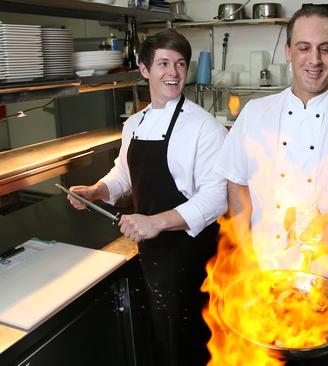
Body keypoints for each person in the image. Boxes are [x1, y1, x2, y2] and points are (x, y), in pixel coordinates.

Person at [64, 30, 227, 366]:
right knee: (164, 342)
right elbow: (123, 173)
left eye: (180, 64)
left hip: (193, 257)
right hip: (152, 253)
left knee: (197, 345)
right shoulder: (135, 123)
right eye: (164, 63)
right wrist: (98, 190)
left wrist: (156, 222)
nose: (174, 72)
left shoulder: (203, 126)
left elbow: (216, 196)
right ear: (144, 69)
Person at [215, 5, 328, 271]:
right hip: (264, 270)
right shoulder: (255, 113)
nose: (314, 59)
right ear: (288, 51)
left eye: (324, 48)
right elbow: (237, 182)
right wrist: (244, 252)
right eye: (303, 48)